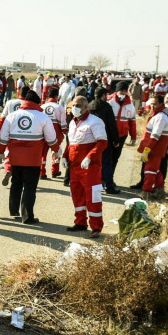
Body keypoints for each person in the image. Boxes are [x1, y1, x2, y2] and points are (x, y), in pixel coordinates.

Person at [0, 90, 59, 224]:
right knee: (30, 187)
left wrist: (1, 152)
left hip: (15, 158)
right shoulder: (43, 117)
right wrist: (56, 150)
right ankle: (27, 216)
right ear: (37, 103)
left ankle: (13, 210)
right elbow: (51, 139)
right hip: (33, 159)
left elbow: (3, 137)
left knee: (16, 183)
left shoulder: (12, 116)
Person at [66, 96, 108, 238]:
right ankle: (80, 223)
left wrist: (90, 157)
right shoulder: (72, 123)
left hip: (90, 168)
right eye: (73, 105)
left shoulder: (95, 122)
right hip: (74, 167)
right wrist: (65, 157)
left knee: (92, 197)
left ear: (85, 107)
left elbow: (102, 142)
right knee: (77, 196)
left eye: (77, 105)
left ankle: (96, 227)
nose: (74, 108)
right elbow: (71, 143)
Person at [134, 95, 168, 195]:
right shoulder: (157, 115)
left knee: (149, 171)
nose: (152, 106)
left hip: (154, 149)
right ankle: (160, 190)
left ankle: (146, 192)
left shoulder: (160, 117)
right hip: (155, 149)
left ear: (161, 104)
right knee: (156, 170)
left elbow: (155, 136)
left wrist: (147, 150)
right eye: (151, 104)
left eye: (155, 104)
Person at [88, 88, 121, 194]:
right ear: (103, 95)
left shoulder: (89, 105)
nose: (107, 97)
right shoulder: (107, 107)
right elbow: (112, 124)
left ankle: (93, 185)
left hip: (91, 139)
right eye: (106, 95)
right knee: (107, 163)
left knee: (92, 163)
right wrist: (116, 139)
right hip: (105, 139)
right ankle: (108, 186)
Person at [0, 85, 29, 186]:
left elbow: (2, 118)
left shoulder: (10, 102)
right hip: (25, 133)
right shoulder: (29, 104)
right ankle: (21, 176)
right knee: (23, 155)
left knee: (9, 153)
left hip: (10, 132)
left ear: (19, 92)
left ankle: (8, 170)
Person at [108, 82, 138, 189]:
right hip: (109, 135)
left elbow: (132, 122)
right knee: (107, 158)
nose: (124, 93)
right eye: (122, 91)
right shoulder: (109, 101)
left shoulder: (130, 105)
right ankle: (104, 178)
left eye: (126, 91)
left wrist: (133, 136)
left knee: (115, 158)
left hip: (122, 136)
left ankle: (109, 178)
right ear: (117, 91)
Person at [42, 87, 68, 178]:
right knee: (56, 152)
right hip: (56, 133)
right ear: (57, 96)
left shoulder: (42, 107)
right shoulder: (60, 107)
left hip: (43, 133)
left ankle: (42, 172)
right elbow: (63, 123)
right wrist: (65, 131)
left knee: (43, 154)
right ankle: (54, 171)